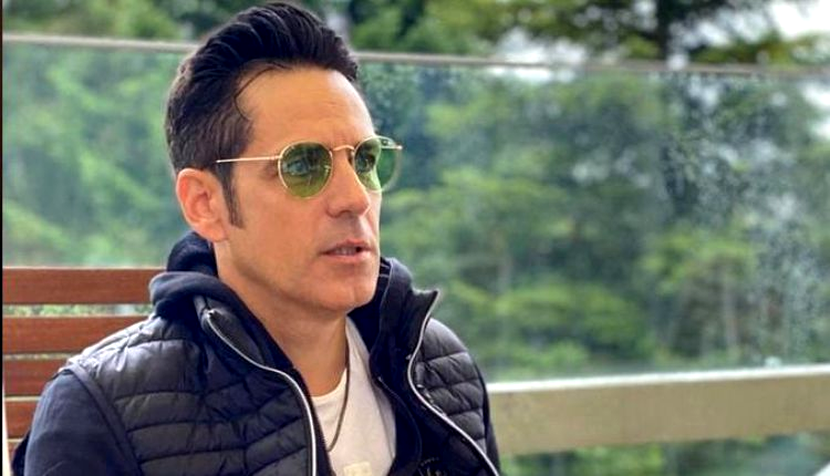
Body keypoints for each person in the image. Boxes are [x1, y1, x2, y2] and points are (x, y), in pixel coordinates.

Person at [12, 2, 500, 475]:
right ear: (205, 204)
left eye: (365, 160)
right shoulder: (99, 415)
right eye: (303, 166)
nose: (355, 197)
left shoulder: (437, 368)